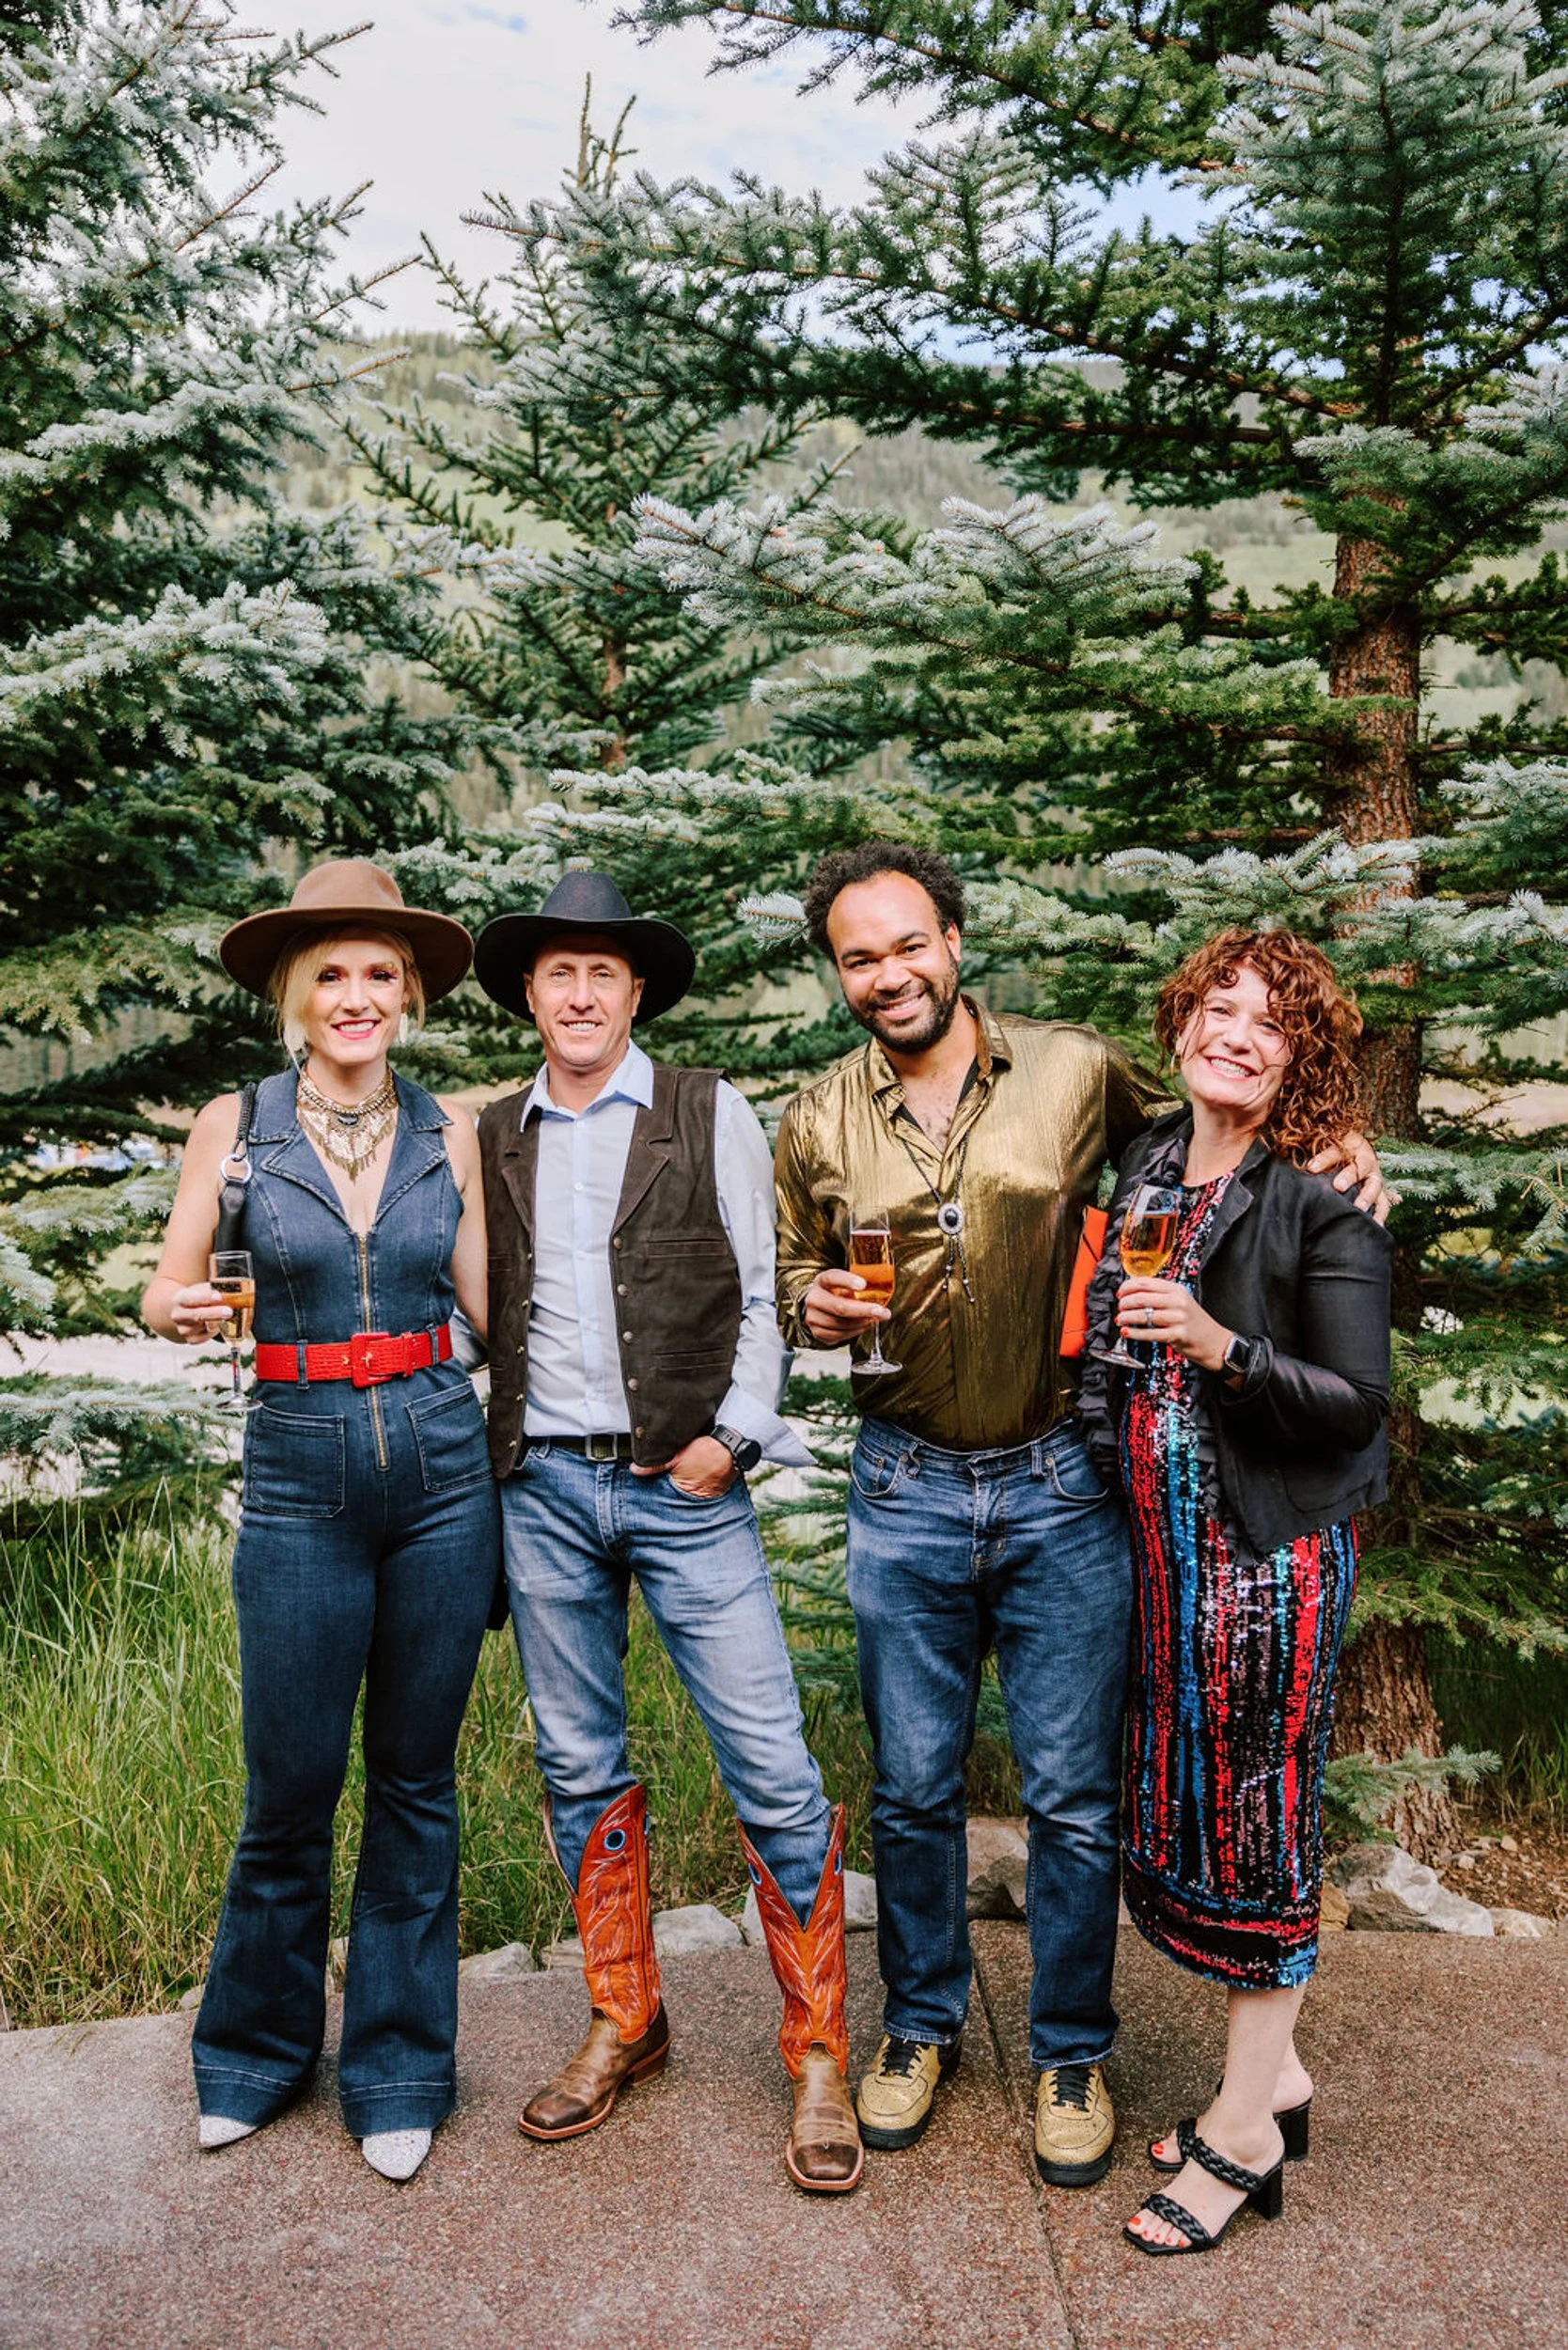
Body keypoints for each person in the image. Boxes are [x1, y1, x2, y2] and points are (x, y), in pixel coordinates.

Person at [774, 841, 1389, 2190]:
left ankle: (1069, 2048)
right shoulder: (815, 1115)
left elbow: (1224, 1135)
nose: (890, 974)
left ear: (954, 939)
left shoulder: (1071, 1071)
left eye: (908, 943)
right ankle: (923, 2027)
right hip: (903, 1490)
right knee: (913, 1790)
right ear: (840, 975)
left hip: (1061, 1487)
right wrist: (814, 1305)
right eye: (858, 956)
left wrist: (1338, 1142)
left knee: (1070, 1796)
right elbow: (791, 1284)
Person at [473, 870, 862, 2195]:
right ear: (529, 994)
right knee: (579, 1760)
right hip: (543, 1492)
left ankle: (818, 2051)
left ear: (636, 993)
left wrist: (733, 1440)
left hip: (684, 1489)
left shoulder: (708, 1110)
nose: (579, 995)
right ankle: (625, 2019)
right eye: (557, 974)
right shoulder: (494, 1132)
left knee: (772, 1762)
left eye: (604, 974)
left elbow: (763, 1291)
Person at [143, 859, 497, 2184]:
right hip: (295, 1468)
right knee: (289, 1784)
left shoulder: (447, 1127)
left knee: (417, 1782)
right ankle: (253, 2056)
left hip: (440, 1464)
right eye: (332, 975)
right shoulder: (232, 1126)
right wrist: (168, 1307)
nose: (357, 997)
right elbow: (166, 1289)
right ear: (296, 996)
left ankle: (400, 2066)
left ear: (406, 996)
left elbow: (491, 1308)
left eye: (379, 976)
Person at [1075, 930, 1393, 2256]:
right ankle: (1285, 2077)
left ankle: (1245, 2134)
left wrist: (1221, 1347)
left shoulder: (1320, 1201)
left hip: (1268, 1564)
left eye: (1274, 1026)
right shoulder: (1144, 1161)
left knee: (1259, 1827)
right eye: (1222, 1008)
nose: (1239, 1035)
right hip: (1162, 1563)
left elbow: (1356, 1407)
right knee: (1193, 1812)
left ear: (1301, 1065)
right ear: (1184, 1019)